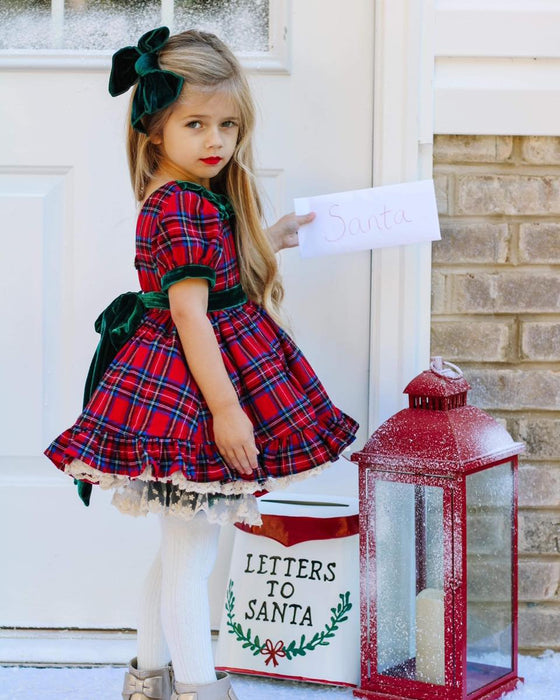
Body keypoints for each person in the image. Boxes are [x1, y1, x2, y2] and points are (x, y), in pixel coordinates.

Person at [44, 26, 359, 700]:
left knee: (179, 549)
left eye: (229, 124)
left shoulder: (186, 194)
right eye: (196, 123)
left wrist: (269, 239)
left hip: (184, 376)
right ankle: (196, 687)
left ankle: (148, 680)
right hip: (189, 390)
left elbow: (208, 281)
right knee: (192, 556)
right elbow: (191, 314)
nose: (216, 139)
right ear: (155, 130)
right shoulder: (181, 203)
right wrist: (226, 409)